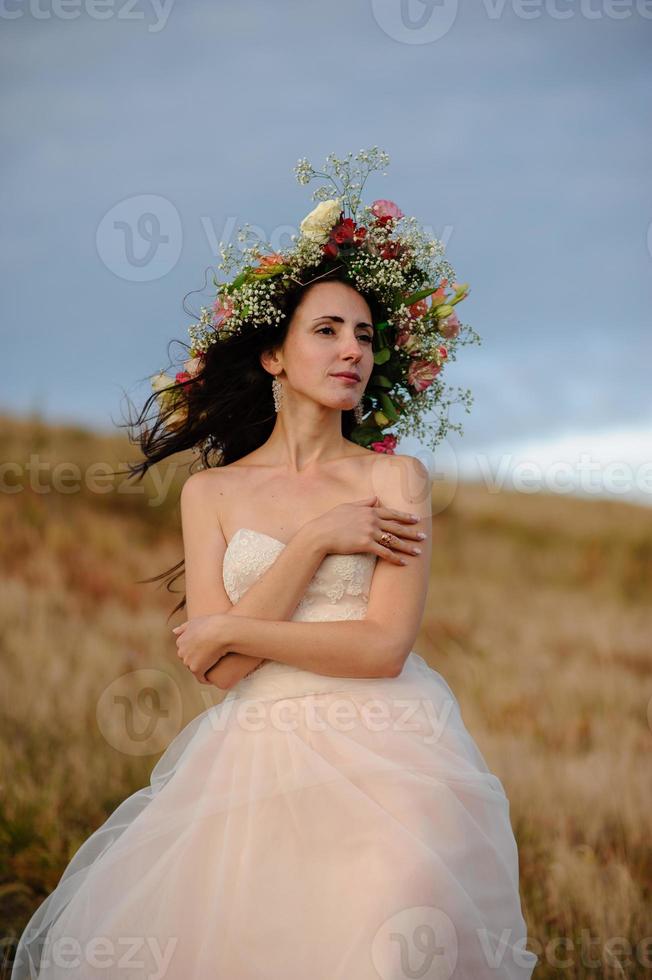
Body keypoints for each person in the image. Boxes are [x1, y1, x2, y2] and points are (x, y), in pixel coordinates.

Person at [11, 149, 538, 979]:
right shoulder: (212, 494)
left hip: (391, 750)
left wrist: (230, 625)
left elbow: (381, 648)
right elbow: (219, 674)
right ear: (272, 356)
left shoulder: (394, 479)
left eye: (364, 336)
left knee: (385, 937)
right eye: (326, 330)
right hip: (256, 759)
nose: (351, 350)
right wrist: (316, 541)